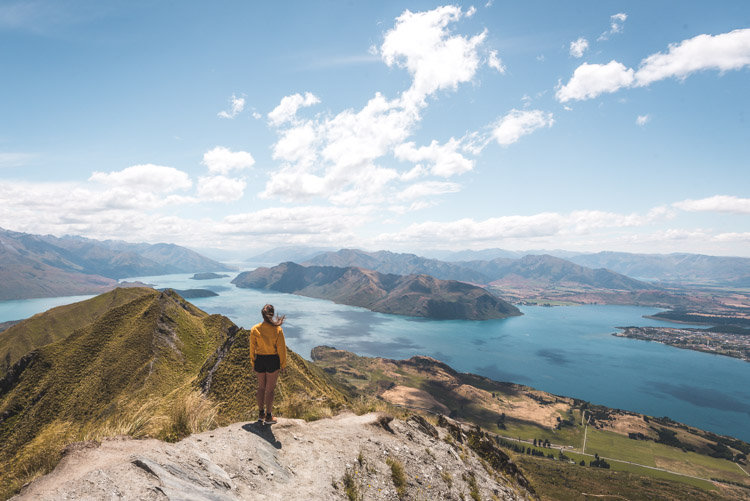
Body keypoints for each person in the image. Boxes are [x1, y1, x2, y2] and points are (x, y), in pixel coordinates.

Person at [249, 304, 287, 424]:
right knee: (270, 390)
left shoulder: (255, 329)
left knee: (261, 388)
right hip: (272, 360)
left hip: (259, 360)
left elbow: (252, 348)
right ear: (272, 314)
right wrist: (283, 364)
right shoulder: (277, 330)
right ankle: (269, 417)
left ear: (262, 315)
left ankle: (261, 415)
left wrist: (253, 363)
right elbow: (282, 349)